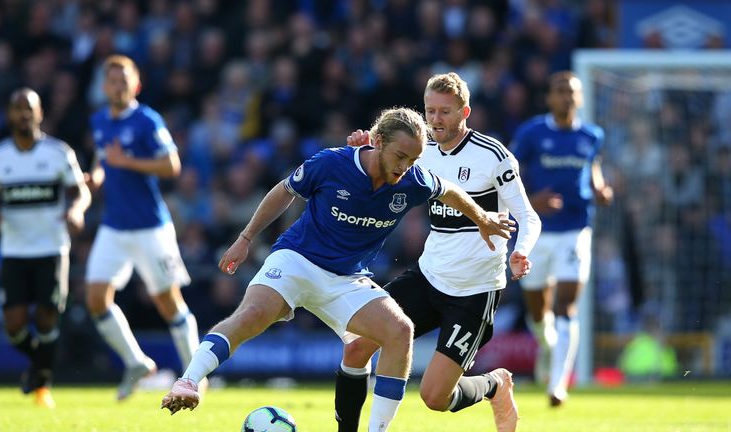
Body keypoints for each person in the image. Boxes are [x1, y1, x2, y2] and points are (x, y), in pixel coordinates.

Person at [161, 107, 515, 432]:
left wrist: (482, 218)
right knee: (253, 313)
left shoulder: (413, 180)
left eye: (413, 159)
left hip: (347, 279)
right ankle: (189, 381)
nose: (405, 167)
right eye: (400, 156)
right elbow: (284, 191)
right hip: (297, 260)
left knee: (400, 331)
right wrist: (246, 237)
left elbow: (450, 191)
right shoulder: (332, 164)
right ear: (377, 143)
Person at [334, 73, 541, 432]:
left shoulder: (493, 156)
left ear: (466, 112)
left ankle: (495, 384)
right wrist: (364, 148)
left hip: (473, 294)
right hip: (428, 277)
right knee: (355, 348)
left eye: (445, 112)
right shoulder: (420, 149)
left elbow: (527, 216)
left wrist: (520, 251)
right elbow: (378, 165)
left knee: (434, 397)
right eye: (430, 111)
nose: (436, 119)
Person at [84, 55, 200, 401]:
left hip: (150, 226)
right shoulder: (99, 120)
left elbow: (172, 165)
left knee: (168, 301)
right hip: (114, 226)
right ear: (104, 87)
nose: (117, 87)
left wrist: (127, 162)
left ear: (136, 85)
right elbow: (103, 159)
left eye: (124, 81)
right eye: (112, 81)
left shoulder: (147, 120)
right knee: (95, 299)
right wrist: (97, 176)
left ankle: (195, 373)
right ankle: (137, 362)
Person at [0, 88, 91, 408]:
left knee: (46, 318)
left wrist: (76, 210)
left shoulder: (58, 152)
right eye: (17, 108)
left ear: (40, 113)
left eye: (29, 108)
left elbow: (80, 192)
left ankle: (40, 380)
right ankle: (41, 369)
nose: (23, 114)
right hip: (14, 250)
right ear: (8, 114)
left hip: (52, 248)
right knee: (13, 325)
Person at [511, 71, 613, 406]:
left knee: (567, 306)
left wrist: (599, 188)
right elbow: (509, 176)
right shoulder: (532, 133)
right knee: (538, 314)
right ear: (549, 98)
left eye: (572, 92)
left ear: (580, 98)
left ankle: (558, 385)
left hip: (576, 229)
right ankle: (548, 348)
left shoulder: (591, 135)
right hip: (538, 231)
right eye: (560, 91)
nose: (567, 97)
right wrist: (531, 201)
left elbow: (592, 167)